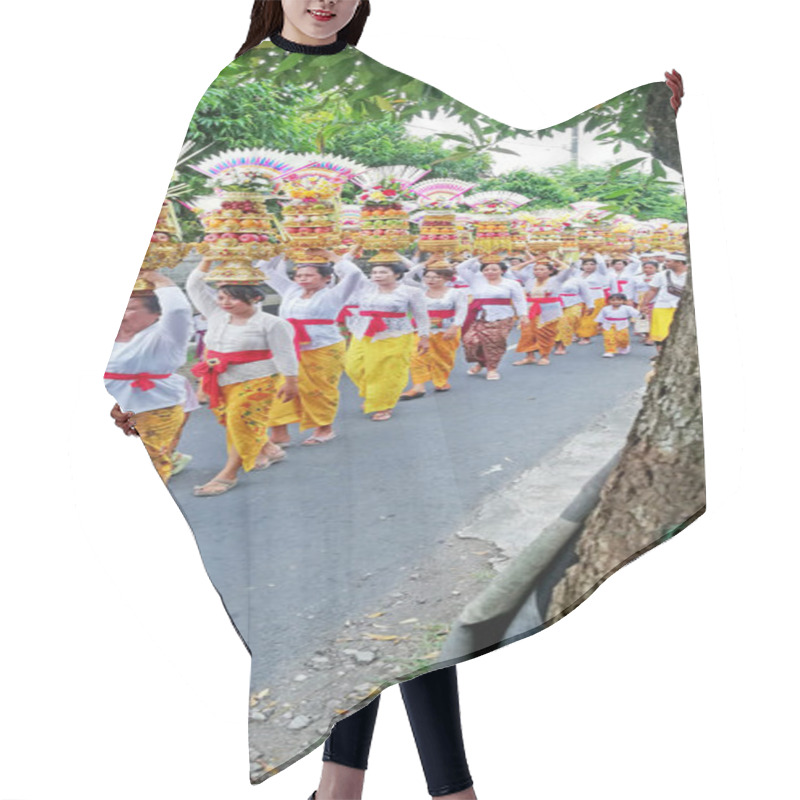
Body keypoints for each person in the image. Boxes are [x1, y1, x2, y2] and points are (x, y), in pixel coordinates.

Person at [186, 256, 299, 495]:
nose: (225, 302)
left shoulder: (272, 323)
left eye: (233, 298)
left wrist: (291, 382)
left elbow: (285, 353)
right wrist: (207, 261)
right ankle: (267, 447)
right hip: (219, 379)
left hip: (257, 380)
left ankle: (228, 474)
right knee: (232, 420)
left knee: (240, 421)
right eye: (222, 297)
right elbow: (194, 286)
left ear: (255, 297)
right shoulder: (216, 315)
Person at [255, 246, 363, 444]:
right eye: (299, 275)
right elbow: (264, 270)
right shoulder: (291, 290)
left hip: (324, 347)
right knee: (279, 387)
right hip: (288, 347)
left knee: (319, 389)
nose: (303, 279)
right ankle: (279, 432)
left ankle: (324, 428)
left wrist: (331, 256)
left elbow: (354, 273)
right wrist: (279, 248)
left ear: (326, 278)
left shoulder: (334, 294)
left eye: (309, 275)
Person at [104, 269, 193, 482]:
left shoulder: (164, 337)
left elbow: (178, 311)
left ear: (156, 314)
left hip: (152, 411)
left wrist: (158, 279)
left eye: (131, 309)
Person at [344, 258, 430, 421]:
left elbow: (421, 315)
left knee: (386, 373)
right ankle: (373, 395)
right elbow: (347, 270)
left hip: (395, 335)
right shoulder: (365, 287)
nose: (377, 275)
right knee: (353, 366)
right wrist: (348, 252)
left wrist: (424, 337)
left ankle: (383, 405)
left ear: (397, 274)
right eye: (375, 272)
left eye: (383, 272)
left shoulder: (411, 291)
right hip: (364, 333)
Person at [400, 263, 468, 398]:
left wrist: (455, 327)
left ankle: (441, 381)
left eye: (436, 277)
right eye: (427, 277)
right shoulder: (419, 290)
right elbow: (405, 277)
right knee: (415, 355)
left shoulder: (456, 293)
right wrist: (425, 263)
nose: (431, 280)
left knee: (443, 357)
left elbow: (461, 311)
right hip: (421, 329)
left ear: (446, 278)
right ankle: (418, 386)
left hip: (446, 330)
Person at [456, 255, 527, 380]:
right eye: (486, 269)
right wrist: (478, 257)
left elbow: (519, 300)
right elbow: (460, 267)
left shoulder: (511, 283)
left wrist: (523, 315)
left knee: (494, 343)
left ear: (501, 270)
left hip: (502, 316)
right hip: (478, 315)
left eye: (494, 269)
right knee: (471, 341)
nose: (490, 272)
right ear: (482, 271)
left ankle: (492, 368)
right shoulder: (476, 280)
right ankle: (481, 362)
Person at [512, 256, 575, 366]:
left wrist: (552, 258)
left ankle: (544, 356)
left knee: (546, 334)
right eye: (536, 269)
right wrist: (533, 260)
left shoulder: (556, 280)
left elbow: (567, 268)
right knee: (527, 333)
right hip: (530, 309)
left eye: (542, 269)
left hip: (549, 311)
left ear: (550, 271)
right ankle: (529, 356)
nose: (538, 272)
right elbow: (514, 269)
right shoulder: (529, 280)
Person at [639, 252, 689, 349]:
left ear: (679, 262)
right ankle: (661, 357)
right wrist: (644, 304)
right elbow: (653, 290)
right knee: (660, 335)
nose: (665, 263)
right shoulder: (661, 275)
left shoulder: (690, 275)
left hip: (684, 308)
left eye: (669, 261)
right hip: (662, 307)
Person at [575, 255, 611, 344]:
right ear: (582, 266)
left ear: (596, 266)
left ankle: (586, 337)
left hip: (595, 298)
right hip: (580, 298)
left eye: (592, 264)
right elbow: (575, 263)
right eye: (586, 264)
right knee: (578, 317)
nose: (589, 266)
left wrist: (595, 252)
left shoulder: (600, 273)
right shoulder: (578, 273)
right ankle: (578, 334)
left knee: (589, 318)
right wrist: (584, 251)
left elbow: (602, 263)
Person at [594, 293, 641, 357]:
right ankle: (609, 350)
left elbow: (636, 314)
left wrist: (641, 313)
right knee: (609, 338)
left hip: (622, 325)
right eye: (613, 300)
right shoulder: (605, 309)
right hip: (608, 325)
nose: (616, 302)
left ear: (623, 301)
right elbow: (601, 317)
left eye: (618, 300)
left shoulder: (627, 308)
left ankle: (623, 346)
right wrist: (599, 325)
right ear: (609, 301)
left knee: (622, 338)